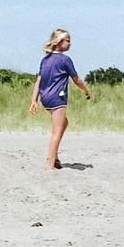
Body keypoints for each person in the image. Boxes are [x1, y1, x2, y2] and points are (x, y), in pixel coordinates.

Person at [30, 29, 89, 169]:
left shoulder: (45, 60)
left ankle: (54, 157)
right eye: (67, 41)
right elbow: (77, 80)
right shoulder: (65, 60)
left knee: (64, 123)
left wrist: (34, 100)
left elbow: (39, 81)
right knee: (57, 131)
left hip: (45, 97)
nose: (70, 43)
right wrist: (86, 91)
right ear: (59, 42)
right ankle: (50, 164)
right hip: (58, 98)